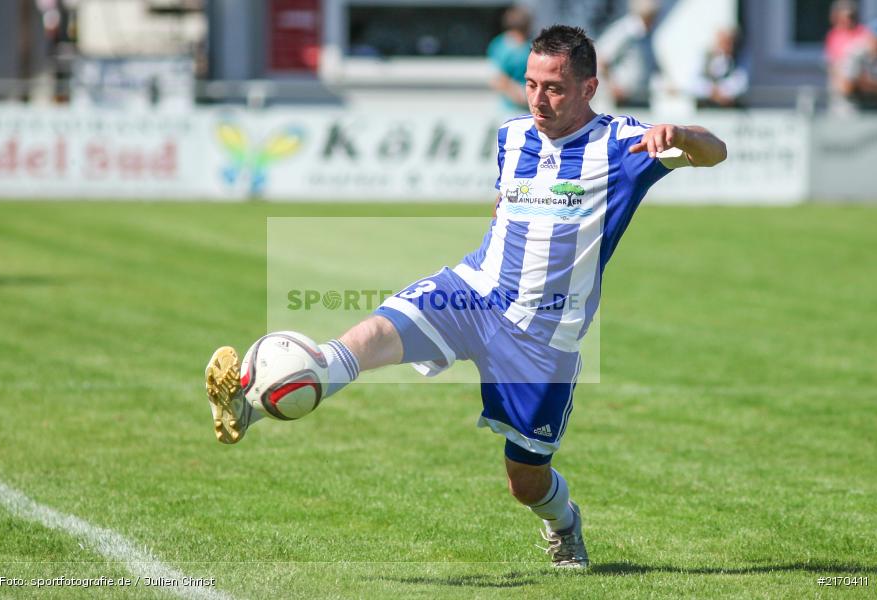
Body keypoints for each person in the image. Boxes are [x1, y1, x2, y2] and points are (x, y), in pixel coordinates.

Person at [204, 25, 726, 569]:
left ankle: (564, 523)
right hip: (472, 293)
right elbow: (506, 204)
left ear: (589, 88)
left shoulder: (624, 144)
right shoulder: (513, 136)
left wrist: (683, 135)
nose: (538, 99)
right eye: (530, 84)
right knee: (369, 337)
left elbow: (717, 153)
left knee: (525, 481)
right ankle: (252, 403)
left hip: (542, 339)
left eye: (554, 88)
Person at [597, 0, 661, 109]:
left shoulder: (647, 34)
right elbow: (602, 60)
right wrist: (613, 87)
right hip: (623, 100)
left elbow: (652, 64)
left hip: (641, 98)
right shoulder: (625, 30)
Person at [826, 1, 872, 115]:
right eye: (844, 17)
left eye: (851, 16)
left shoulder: (863, 33)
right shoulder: (834, 35)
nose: (847, 20)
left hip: (860, 88)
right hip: (841, 87)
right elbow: (832, 63)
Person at [688, 27, 749, 109]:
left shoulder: (739, 59)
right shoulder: (705, 57)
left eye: (729, 42)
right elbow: (693, 80)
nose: (727, 45)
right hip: (705, 108)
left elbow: (741, 81)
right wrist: (710, 90)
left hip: (728, 109)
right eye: (723, 42)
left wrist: (723, 91)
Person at [487, 5, 533, 113]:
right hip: (509, 109)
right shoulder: (501, 46)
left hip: (530, 107)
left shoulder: (530, 45)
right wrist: (518, 95)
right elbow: (496, 78)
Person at [836, 18, 877, 113]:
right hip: (854, 111)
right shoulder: (856, 53)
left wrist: (864, 82)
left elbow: (857, 82)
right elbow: (847, 87)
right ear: (870, 37)